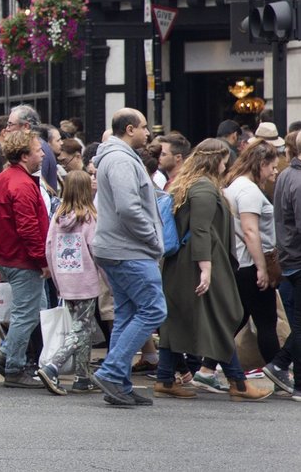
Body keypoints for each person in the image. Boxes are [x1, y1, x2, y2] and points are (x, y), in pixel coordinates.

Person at [152, 139, 273, 402]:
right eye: (223, 159)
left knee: (178, 320)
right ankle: (238, 383)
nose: (226, 164)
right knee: (221, 317)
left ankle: (164, 378)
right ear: (215, 159)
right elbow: (201, 230)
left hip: (182, 266)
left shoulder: (188, 185)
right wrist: (206, 269)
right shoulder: (205, 188)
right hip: (199, 264)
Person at [90, 109, 167, 407]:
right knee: (153, 310)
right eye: (145, 128)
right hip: (129, 250)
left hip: (119, 248)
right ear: (130, 129)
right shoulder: (121, 159)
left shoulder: (117, 156)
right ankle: (111, 373)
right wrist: (152, 237)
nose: (148, 133)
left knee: (126, 312)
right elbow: (128, 207)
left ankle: (118, 382)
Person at [0, 129, 49, 388]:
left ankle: (6, 357)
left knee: (34, 310)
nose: (43, 154)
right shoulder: (21, 184)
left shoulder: (4, 179)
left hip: (10, 257)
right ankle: (13, 367)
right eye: (37, 150)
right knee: (27, 313)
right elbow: (28, 228)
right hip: (22, 260)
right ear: (24, 156)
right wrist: (42, 260)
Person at [36, 170, 102, 396]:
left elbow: (49, 249)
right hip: (86, 282)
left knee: (80, 327)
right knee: (82, 329)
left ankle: (82, 377)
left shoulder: (57, 217)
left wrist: (56, 279)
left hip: (64, 281)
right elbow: (96, 250)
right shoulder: (90, 218)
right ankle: (53, 366)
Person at [222, 140, 282, 369]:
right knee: (267, 321)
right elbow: (250, 231)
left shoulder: (235, 185)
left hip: (240, 263)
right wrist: (261, 268)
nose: (274, 172)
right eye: (272, 167)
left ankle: (206, 368)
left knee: (239, 318)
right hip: (250, 264)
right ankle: (278, 370)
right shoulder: (248, 190)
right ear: (261, 163)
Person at [267, 131, 301, 399]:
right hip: (298, 258)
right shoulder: (298, 180)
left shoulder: (287, 174)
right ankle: (294, 378)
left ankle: (280, 364)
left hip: (290, 256)